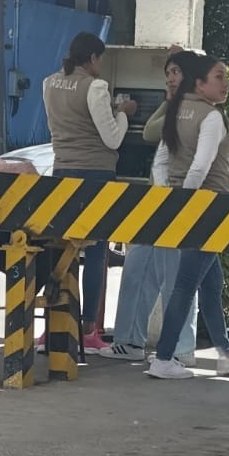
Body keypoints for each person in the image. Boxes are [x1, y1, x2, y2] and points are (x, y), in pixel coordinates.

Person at [147, 54, 229, 381]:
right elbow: (201, 165)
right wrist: (189, 203)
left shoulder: (176, 110)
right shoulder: (211, 117)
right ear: (200, 83)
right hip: (209, 207)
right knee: (186, 285)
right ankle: (164, 357)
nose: (225, 83)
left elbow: (162, 161)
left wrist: (170, 196)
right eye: (219, 77)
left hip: (188, 204)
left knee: (212, 282)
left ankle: (226, 352)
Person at [96, 49, 199, 363]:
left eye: (177, 73)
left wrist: (170, 101)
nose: (170, 79)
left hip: (180, 201)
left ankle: (181, 348)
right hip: (156, 200)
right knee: (138, 267)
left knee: (175, 275)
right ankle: (129, 340)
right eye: (168, 73)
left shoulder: (195, 108)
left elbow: (153, 131)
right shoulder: (176, 104)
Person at [41, 32, 136, 351]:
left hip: (62, 171)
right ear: (93, 58)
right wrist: (123, 112)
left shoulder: (49, 83)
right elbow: (112, 139)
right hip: (96, 173)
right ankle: (90, 330)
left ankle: (56, 323)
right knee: (95, 249)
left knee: (63, 245)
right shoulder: (96, 87)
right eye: (100, 60)